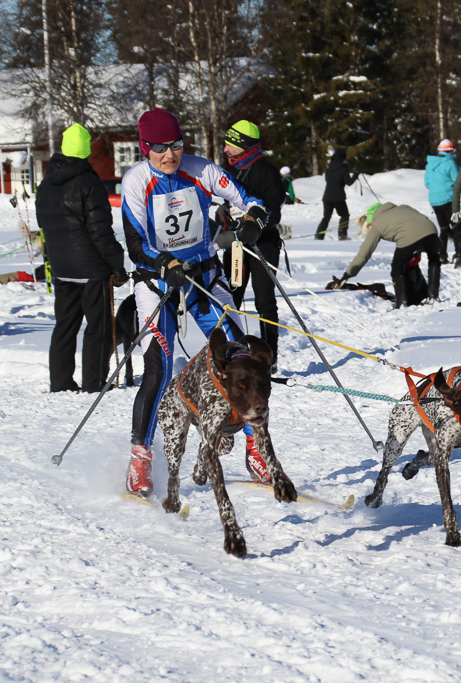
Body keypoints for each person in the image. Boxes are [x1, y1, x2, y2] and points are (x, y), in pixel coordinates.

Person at [120, 108, 269, 497]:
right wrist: (162, 262)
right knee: (159, 365)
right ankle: (140, 457)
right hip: (158, 282)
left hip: (202, 277)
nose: (169, 155)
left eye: (176, 145)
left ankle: (256, 446)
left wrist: (253, 218)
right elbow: (135, 243)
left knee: (240, 354)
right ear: (144, 148)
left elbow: (250, 198)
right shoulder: (136, 181)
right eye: (159, 148)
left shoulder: (201, 170)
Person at [37, 123, 128, 394]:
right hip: (91, 268)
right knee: (98, 328)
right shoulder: (89, 183)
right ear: (85, 150)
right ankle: (94, 382)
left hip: (61, 266)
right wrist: (117, 264)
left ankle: (61, 382)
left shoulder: (45, 184)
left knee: (65, 325)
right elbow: (100, 231)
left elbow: (44, 225)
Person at [218, 120, 284, 371]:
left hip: (263, 246)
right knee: (231, 298)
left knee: (264, 302)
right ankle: (232, 353)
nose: (225, 150)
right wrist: (223, 212)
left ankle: (269, 357)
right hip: (236, 248)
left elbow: (275, 212)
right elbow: (228, 200)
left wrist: (253, 222)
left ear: (244, 146)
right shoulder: (234, 171)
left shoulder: (266, 172)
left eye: (230, 145)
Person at [337, 202, 440, 308]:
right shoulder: (403, 207)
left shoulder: (377, 223)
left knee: (397, 268)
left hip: (408, 237)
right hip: (432, 230)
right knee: (434, 260)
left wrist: (347, 275)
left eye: (370, 224)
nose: (370, 226)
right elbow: (417, 224)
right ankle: (434, 297)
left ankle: (402, 302)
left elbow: (364, 253)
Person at [424, 139, 459, 263]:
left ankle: (442, 256)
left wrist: (436, 190)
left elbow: (427, 183)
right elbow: (458, 181)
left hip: (434, 200)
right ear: (450, 150)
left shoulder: (429, 164)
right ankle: (459, 254)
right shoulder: (450, 163)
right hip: (449, 199)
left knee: (443, 229)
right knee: (456, 227)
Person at [314, 149, 359, 240]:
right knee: (344, 215)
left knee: (326, 217)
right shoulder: (343, 169)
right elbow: (349, 182)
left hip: (327, 197)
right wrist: (356, 174)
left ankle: (319, 235)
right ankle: (342, 235)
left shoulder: (329, 170)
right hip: (338, 197)